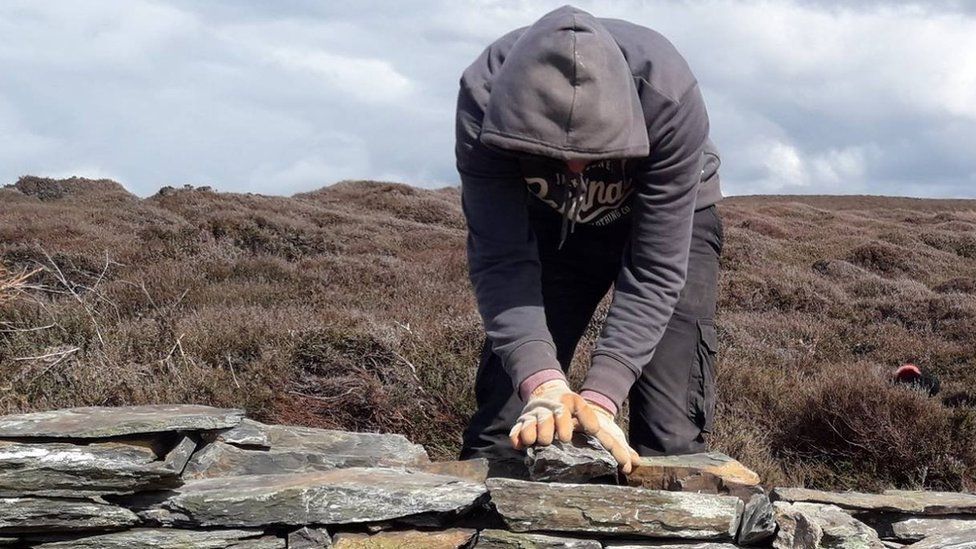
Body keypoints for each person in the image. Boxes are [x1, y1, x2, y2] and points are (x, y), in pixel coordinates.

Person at [455, 5, 723, 476]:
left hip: (673, 221)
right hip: (549, 228)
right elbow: (501, 259)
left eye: (596, 155)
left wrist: (600, 398)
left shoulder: (668, 95)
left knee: (669, 433)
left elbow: (655, 270)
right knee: (503, 424)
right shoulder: (483, 100)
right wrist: (542, 384)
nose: (575, 173)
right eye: (554, 159)